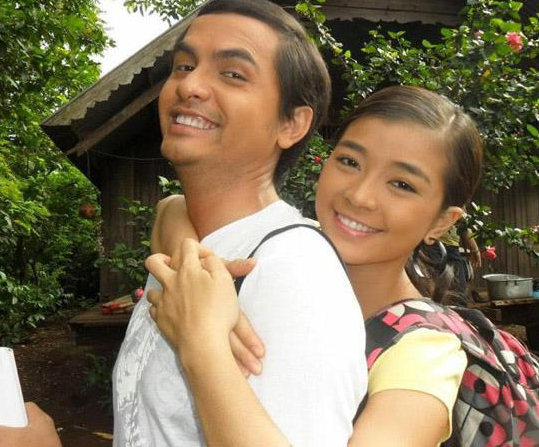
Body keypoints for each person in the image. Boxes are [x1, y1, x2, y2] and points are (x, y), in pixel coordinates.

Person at [0, 0, 367, 446]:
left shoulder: (292, 272)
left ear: (291, 124)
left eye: (232, 74)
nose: (190, 86)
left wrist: (200, 345)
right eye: (184, 66)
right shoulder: (190, 250)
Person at [146, 85, 484, 446]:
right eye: (350, 162)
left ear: (442, 222)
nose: (359, 196)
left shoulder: (424, 355)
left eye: (401, 184)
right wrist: (194, 268)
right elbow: (172, 207)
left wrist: (202, 342)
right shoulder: (287, 249)